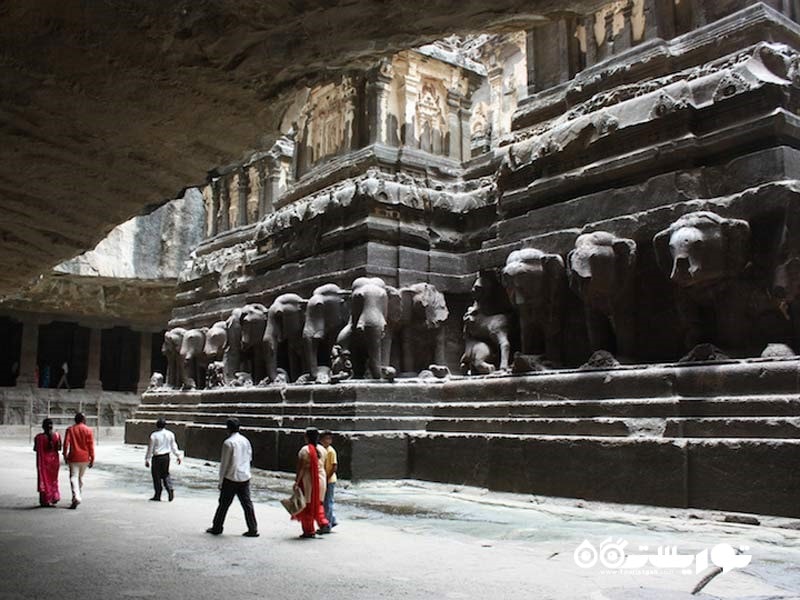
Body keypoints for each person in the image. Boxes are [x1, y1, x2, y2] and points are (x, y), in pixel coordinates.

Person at [206, 418, 259, 537]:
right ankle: (253, 528)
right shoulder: (245, 440)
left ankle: (217, 527)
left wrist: (220, 481)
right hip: (244, 476)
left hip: (231, 477)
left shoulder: (228, 443)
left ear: (228, 428)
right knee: (247, 504)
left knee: (223, 504)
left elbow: (224, 463)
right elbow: (249, 457)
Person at [293, 427, 330, 538]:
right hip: (321, 479)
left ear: (306, 437)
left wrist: (297, 481)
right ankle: (323, 522)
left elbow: (302, 468)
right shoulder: (323, 450)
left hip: (308, 481)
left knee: (307, 506)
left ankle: (309, 530)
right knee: (318, 503)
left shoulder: (305, 450)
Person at [145, 418, 182, 502]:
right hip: (166, 457)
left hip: (157, 457)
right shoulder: (170, 434)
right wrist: (178, 456)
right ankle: (170, 488)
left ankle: (158, 494)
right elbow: (174, 446)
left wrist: (147, 459)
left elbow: (150, 448)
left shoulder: (154, 435)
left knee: (156, 476)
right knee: (165, 474)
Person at [63, 412, 94, 509]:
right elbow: (91, 446)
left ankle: (76, 496)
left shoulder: (70, 429)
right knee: (80, 477)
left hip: (74, 457)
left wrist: (65, 455)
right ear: (84, 420)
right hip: (85, 458)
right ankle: (77, 496)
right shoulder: (88, 430)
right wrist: (92, 458)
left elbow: (66, 444)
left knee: (73, 477)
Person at [33, 418, 61, 507]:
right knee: (53, 480)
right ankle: (54, 497)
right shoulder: (57, 435)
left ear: (43, 427)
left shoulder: (38, 437)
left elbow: (35, 449)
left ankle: (45, 500)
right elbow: (59, 448)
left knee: (44, 480)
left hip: (43, 462)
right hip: (54, 461)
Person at [320, 429, 338, 529]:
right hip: (325, 479)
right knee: (326, 501)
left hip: (329, 480)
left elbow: (334, 466)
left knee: (328, 502)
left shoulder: (331, 451)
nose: (326, 441)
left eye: (328, 439)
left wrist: (327, 478)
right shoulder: (323, 450)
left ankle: (328, 525)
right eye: (324, 439)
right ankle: (332, 520)